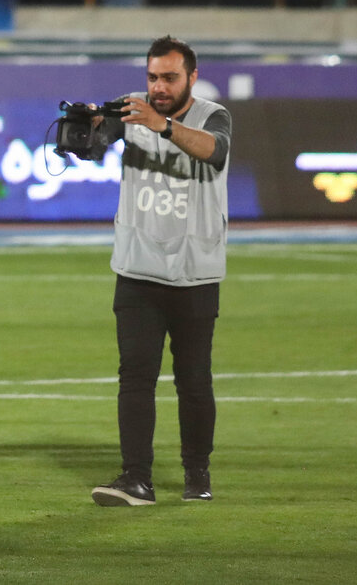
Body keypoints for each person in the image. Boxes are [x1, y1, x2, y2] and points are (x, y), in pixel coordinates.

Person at [90, 36, 230, 507]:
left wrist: (162, 125)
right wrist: (90, 128)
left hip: (195, 271)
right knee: (135, 376)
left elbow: (214, 151)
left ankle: (197, 474)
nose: (158, 86)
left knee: (194, 379)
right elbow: (95, 144)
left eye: (169, 77)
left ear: (192, 75)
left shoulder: (212, 115)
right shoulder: (131, 112)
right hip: (138, 269)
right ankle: (136, 479)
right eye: (152, 77)